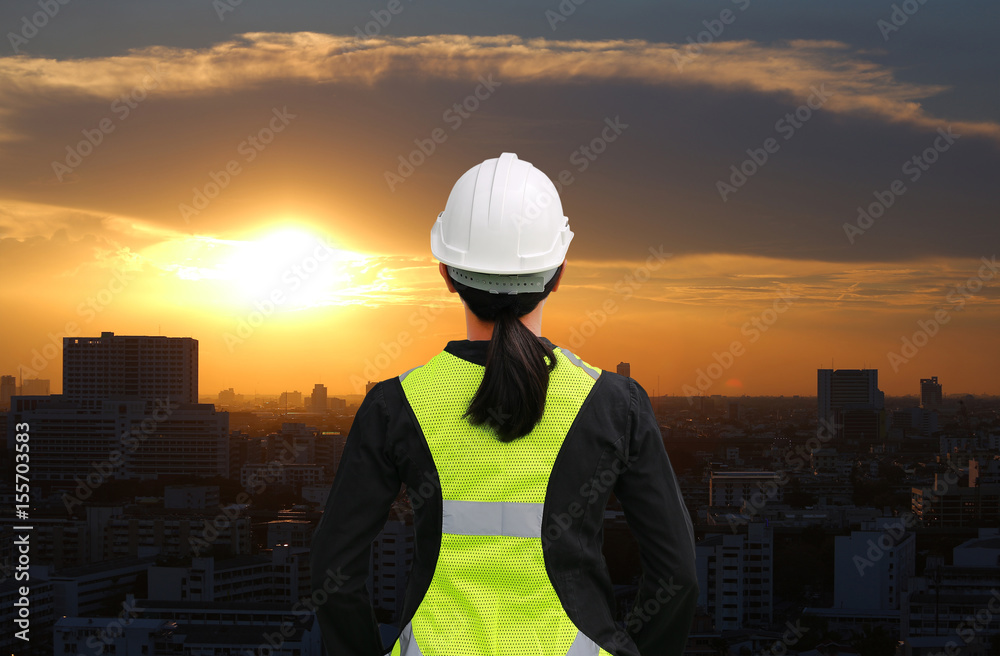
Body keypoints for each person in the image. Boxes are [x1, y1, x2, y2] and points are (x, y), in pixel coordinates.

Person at [310, 153, 698, 656]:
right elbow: (679, 576)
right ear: (558, 273)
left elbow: (333, 570)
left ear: (446, 274)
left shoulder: (395, 406)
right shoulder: (614, 404)